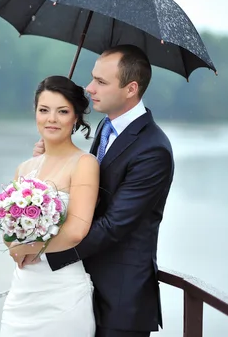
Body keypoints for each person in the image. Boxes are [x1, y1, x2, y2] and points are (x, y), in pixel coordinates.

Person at [27, 44, 175, 337]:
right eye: (93, 77)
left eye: (101, 82)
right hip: (82, 290)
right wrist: (51, 157)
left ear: (131, 88)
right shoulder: (106, 130)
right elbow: (91, 194)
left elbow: (114, 225)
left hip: (121, 302)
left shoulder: (153, 149)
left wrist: (46, 254)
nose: (89, 87)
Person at [0, 75, 100, 337]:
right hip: (22, 291)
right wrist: (13, 245)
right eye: (44, 110)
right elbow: (9, 223)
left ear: (76, 117)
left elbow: (77, 230)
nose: (51, 119)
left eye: (62, 111)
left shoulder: (84, 163)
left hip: (61, 292)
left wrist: (31, 247)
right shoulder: (25, 167)